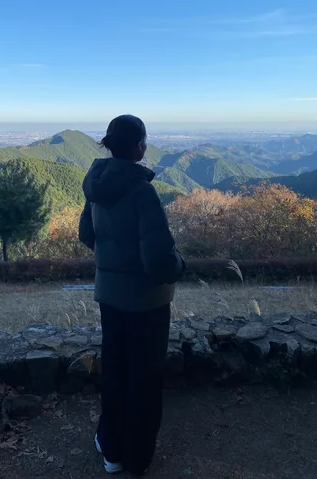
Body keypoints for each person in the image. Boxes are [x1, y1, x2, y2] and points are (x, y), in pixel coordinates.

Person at [79, 114, 185, 475]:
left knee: (115, 369)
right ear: (139, 146)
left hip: (108, 296)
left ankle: (111, 449)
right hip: (147, 304)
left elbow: (86, 234)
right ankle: (137, 457)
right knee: (145, 377)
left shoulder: (96, 183)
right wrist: (180, 264)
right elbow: (158, 261)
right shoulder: (142, 192)